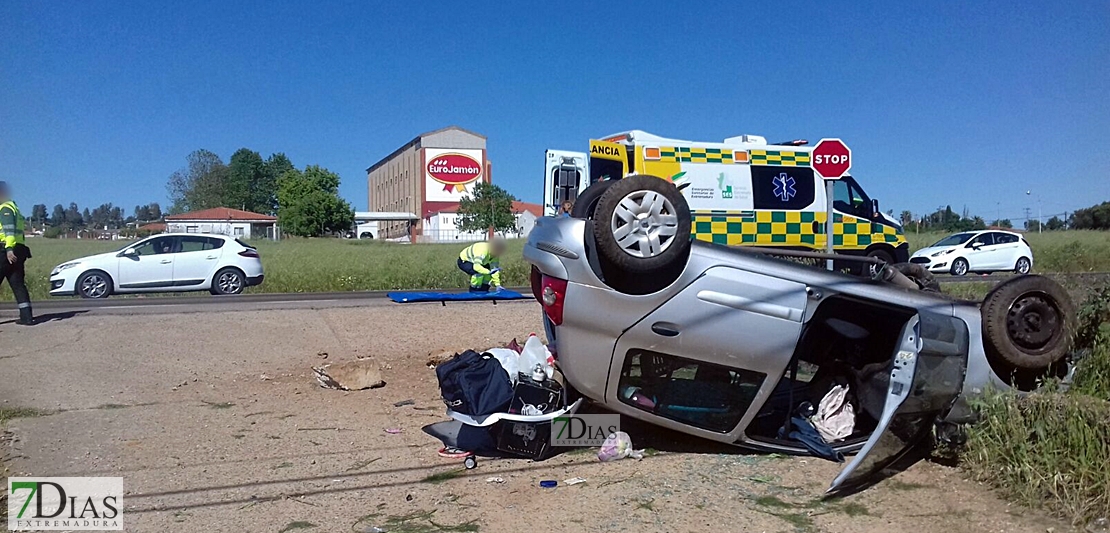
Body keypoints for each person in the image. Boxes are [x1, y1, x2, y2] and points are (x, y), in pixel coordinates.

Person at [0, 181, 33, 325]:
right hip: (19, 249)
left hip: (6, 250)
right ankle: (27, 318)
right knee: (18, 284)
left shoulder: (5, 208)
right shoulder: (15, 208)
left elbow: (9, 230)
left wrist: (8, 249)